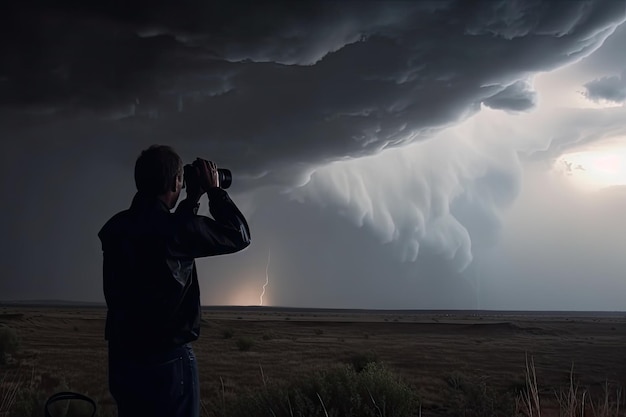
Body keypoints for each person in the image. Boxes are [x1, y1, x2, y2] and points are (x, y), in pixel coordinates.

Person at [98, 145, 251, 417]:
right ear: (174, 182)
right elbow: (238, 235)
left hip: (123, 355)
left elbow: (163, 231)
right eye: (181, 179)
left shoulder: (116, 227)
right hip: (166, 358)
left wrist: (192, 199)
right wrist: (214, 191)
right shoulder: (175, 230)